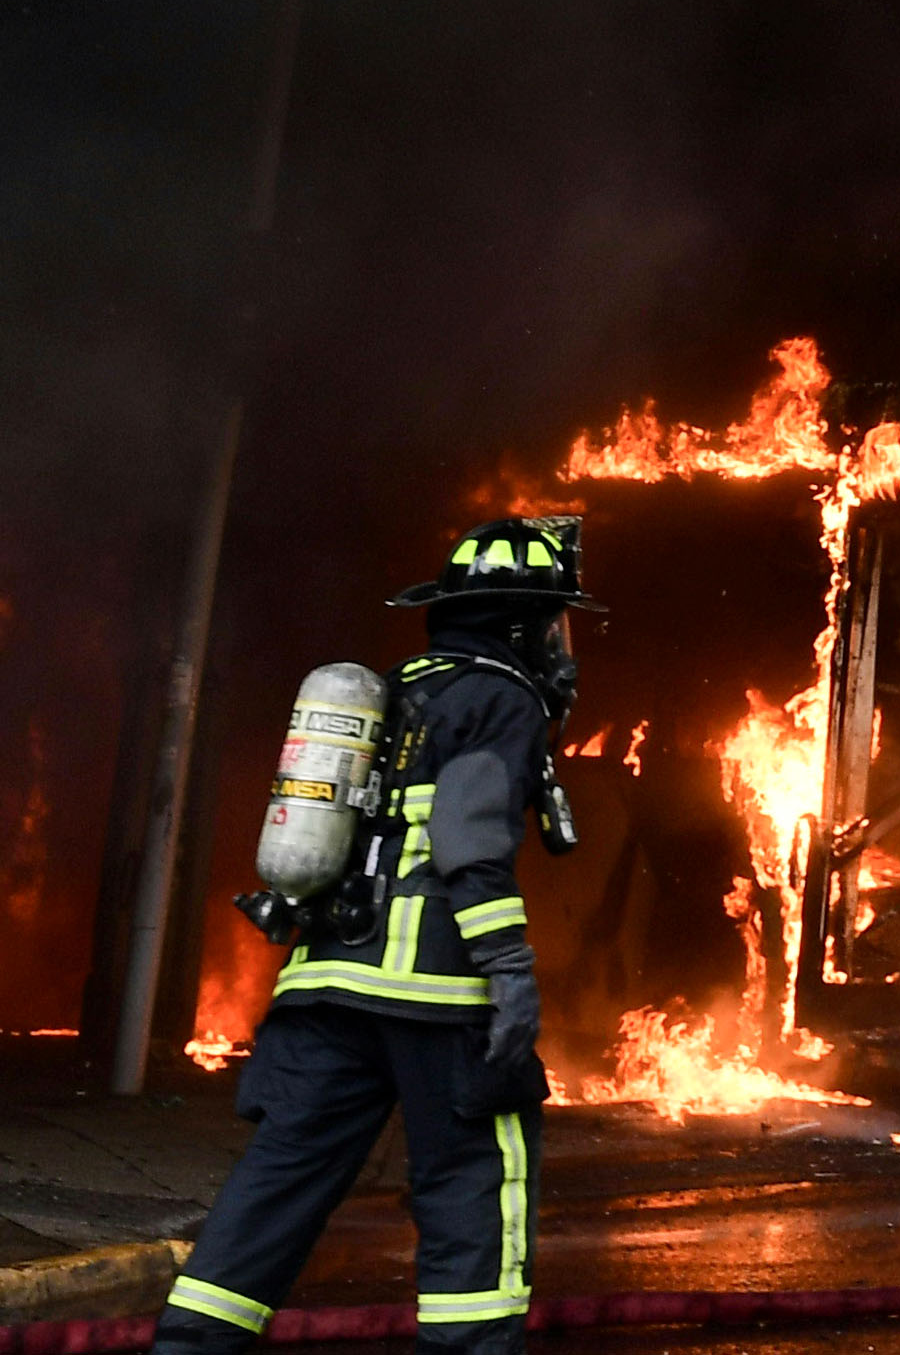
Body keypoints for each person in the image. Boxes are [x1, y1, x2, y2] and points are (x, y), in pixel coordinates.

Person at [156, 518, 591, 1353]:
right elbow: (466, 833)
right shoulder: (502, 695)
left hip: (326, 985)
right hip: (436, 995)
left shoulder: (394, 690)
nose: (558, 643)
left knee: (278, 1183)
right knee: (473, 1187)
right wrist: (507, 967)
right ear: (521, 623)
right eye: (551, 622)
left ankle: (186, 1345)